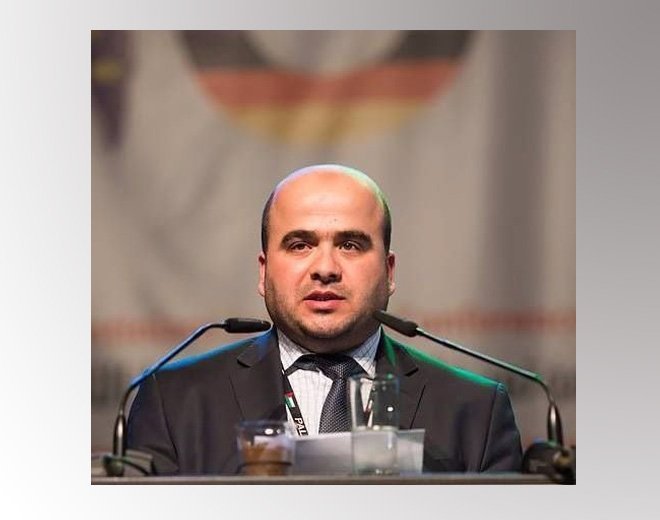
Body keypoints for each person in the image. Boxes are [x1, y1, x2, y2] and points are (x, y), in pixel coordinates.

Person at [127, 164, 522, 475]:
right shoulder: (173, 401)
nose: (325, 269)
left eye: (350, 245)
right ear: (263, 273)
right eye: (300, 245)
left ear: (389, 272)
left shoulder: (475, 411)